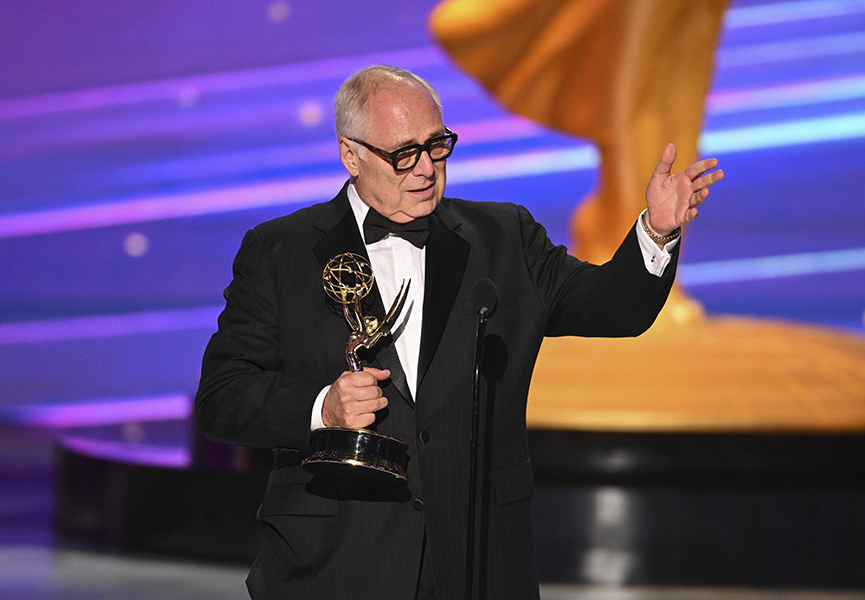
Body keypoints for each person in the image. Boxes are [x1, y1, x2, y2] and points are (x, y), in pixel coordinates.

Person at [194, 64, 723, 600]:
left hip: (477, 562)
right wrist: (321, 408)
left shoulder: (505, 237)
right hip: (335, 562)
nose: (426, 167)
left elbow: (616, 310)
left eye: (437, 145)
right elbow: (222, 397)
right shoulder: (279, 251)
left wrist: (656, 231)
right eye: (404, 153)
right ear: (351, 155)